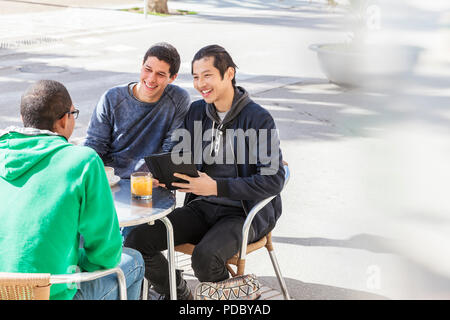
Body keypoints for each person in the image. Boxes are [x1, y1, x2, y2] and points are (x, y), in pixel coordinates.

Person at [124, 45, 285, 300]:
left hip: (243, 212)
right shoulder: (197, 112)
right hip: (202, 205)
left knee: (205, 258)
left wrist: (217, 187)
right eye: (196, 77)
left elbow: (273, 180)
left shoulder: (258, 119)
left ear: (229, 73)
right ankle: (177, 292)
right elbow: (181, 155)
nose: (200, 84)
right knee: (136, 239)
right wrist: (167, 178)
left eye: (207, 75)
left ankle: (238, 297)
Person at [0, 80, 144, 300]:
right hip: (54, 293)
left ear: (23, 119)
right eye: (73, 114)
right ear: (64, 119)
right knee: (133, 261)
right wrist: (75, 261)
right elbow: (106, 254)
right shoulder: (82, 161)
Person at [84, 42, 191, 179]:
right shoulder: (112, 98)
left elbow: (171, 149)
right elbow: (94, 145)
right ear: (142, 65)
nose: (151, 79)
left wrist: (158, 176)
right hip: (112, 179)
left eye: (160, 74)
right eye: (148, 69)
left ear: (172, 78)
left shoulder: (178, 99)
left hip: (153, 180)